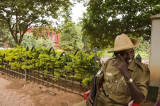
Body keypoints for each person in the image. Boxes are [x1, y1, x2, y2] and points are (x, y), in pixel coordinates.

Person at [73, 34, 150, 106]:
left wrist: (126, 74)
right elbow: (97, 79)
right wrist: (91, 94)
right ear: (117, 55)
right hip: (99, 101)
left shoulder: (142, 70)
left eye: (132, 51)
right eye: (125, 53)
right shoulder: (109, 63)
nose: (130, 56)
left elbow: (140, 99)